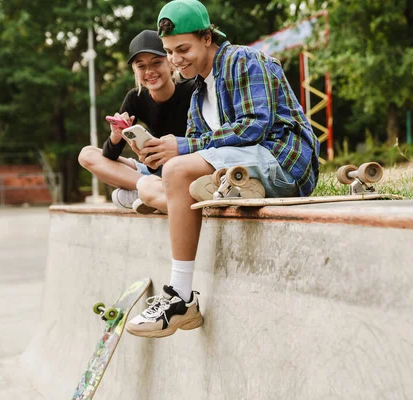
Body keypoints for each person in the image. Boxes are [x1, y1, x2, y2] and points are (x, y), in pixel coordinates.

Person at [125, 0, 320, 338]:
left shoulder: (242, 61)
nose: (175, 59)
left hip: (283, 162)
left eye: (182, 49)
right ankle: (227, 190)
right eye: (169, 52)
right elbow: (193, 147)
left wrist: (181, 150)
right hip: (239, 167)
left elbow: (254, 126)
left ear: (206, 37)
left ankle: (181, 297)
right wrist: (155, 154)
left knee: (176, 173)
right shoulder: (198, 93)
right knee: (149, 186)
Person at [78, 29, 196, 213]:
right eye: (141, 66)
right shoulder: (135, 97)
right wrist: (116, 136)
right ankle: (149, 188)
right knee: (87, 154)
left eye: (157, 63)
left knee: (119, 196)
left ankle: (149, 195)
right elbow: (110, 156)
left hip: (183, 169)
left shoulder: (192, 90)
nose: (149, 71)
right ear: (134, 70)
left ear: (171, 63)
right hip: (152, 171)